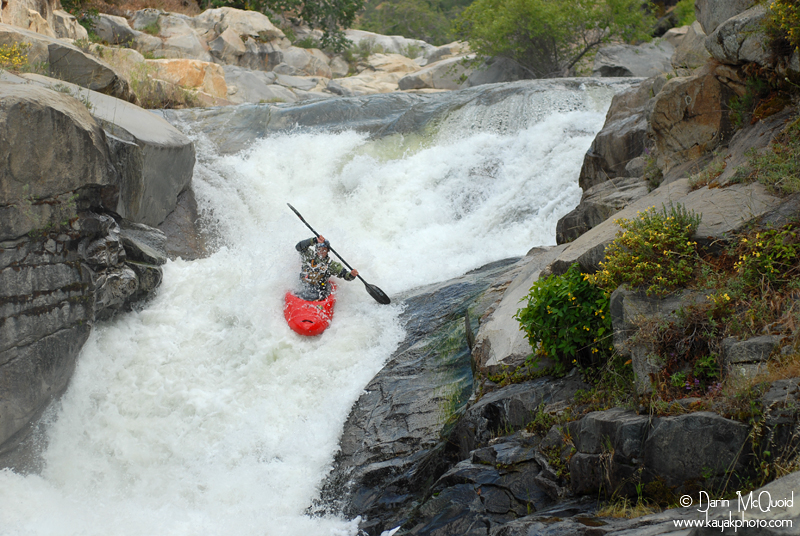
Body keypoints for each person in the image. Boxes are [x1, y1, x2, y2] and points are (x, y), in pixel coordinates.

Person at [295, 235, 359, 300]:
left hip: (318, 290)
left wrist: (352, 275)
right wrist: (314, 240)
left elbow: (346, 276)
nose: (321, 252)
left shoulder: (331, 265)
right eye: (319, 249)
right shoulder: (309, 256)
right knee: (298, 291)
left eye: (324, 250)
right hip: (303, 285)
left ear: (328, 251)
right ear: (316, 249)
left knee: (315, 295)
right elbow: (298, 247)